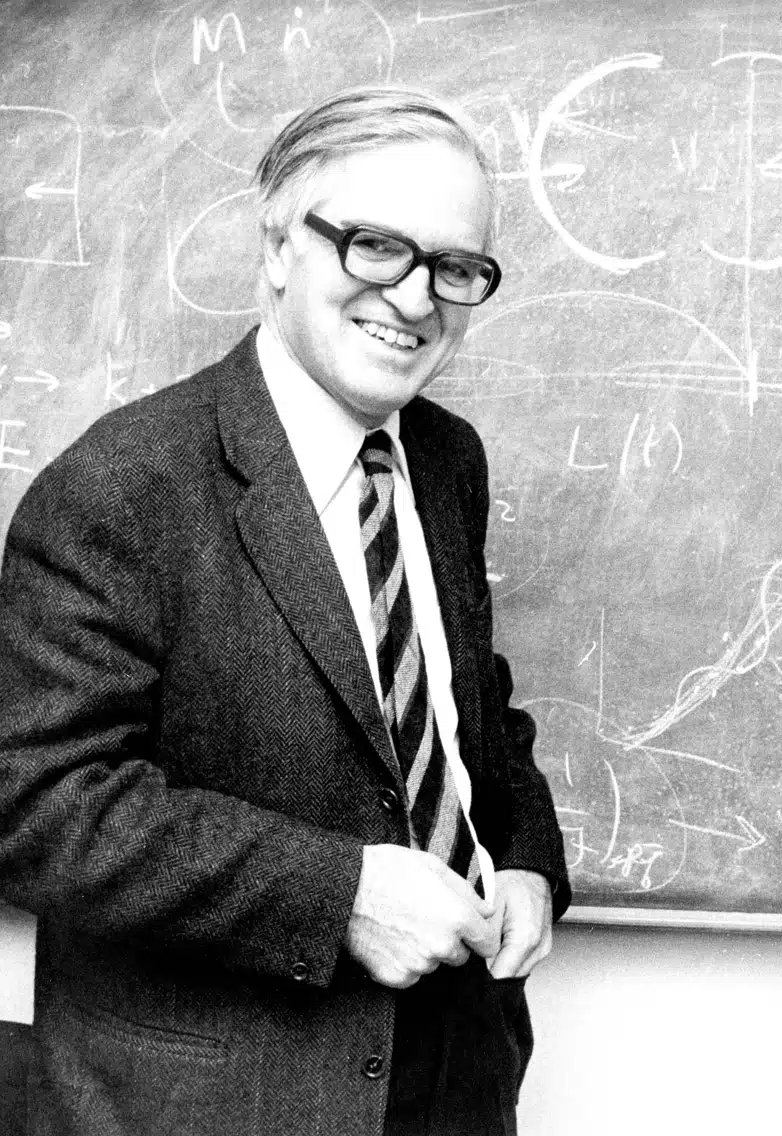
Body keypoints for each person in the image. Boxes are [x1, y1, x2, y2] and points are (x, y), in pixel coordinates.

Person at [0, 85, 570, 1136]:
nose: (415, 299)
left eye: (455, 267)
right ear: (277, 246)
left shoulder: (448, 459)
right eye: (375, 246)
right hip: (217, 1102)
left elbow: (464, 702)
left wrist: (528, 853)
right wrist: (340, 893)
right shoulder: (120, 487)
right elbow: (37, 804)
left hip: (457, 1074)